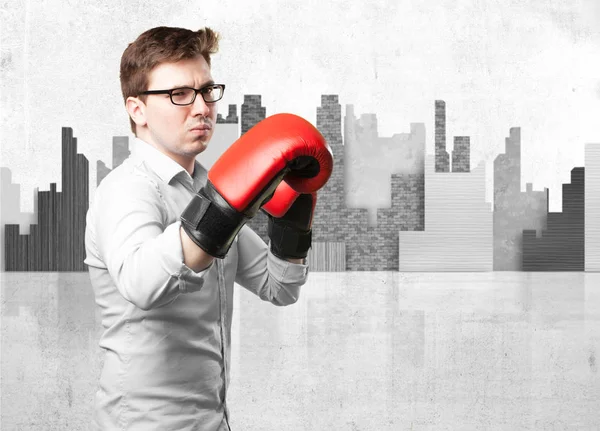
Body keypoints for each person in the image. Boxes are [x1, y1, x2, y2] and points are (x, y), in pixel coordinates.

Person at [84, 26, 332, 430]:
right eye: (179, 94)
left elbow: (279, 287)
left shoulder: (207, 190)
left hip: (213, 419)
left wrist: (294, 215)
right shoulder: (127, 190)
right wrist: (223, 208)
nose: (201, 107)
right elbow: (142, 284)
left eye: (206, 91)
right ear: (137, 110)